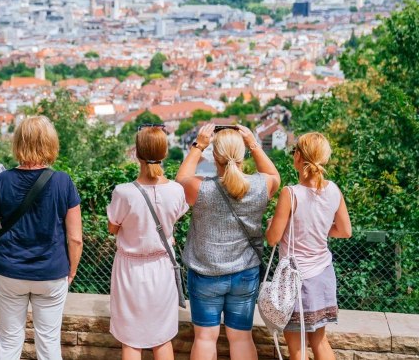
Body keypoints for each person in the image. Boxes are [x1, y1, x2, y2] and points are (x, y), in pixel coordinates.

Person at [0, 115, 84, 360]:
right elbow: (75, 238)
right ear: (50, 143)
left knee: (9, 339)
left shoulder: (3, 181)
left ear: (18, 143)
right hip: (51, 271)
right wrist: (72, 271)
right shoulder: (63, 181)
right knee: (48, 342)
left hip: (9, 271)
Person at [175, 123, 280, 360]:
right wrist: (254, 143)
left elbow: (181, 179)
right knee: (242, 337)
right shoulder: (260, 186)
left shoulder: (200, 189)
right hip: (244, 272)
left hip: (205, 272)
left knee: (204, 338)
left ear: (215, 156)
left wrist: (198, 145)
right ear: (242, 154)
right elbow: (275, 176)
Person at [265, 133, 351, 360]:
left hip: (296, 280)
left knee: (297, 349)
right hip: (323, 275)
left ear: (299, 156)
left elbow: (273, 239)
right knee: (320, 342)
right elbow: (345, 231)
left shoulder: (291, 194)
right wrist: (321, 230)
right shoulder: (334, 190)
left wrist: (271, 225)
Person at [107, 125, 189, 360]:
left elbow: (113, 227)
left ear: (136, 153)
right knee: (161, 338)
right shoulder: (176, 190)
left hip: (130, 270)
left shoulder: (123, 193)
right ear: (164, 153)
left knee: (131, 340)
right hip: (162, 267)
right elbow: (176, 215)